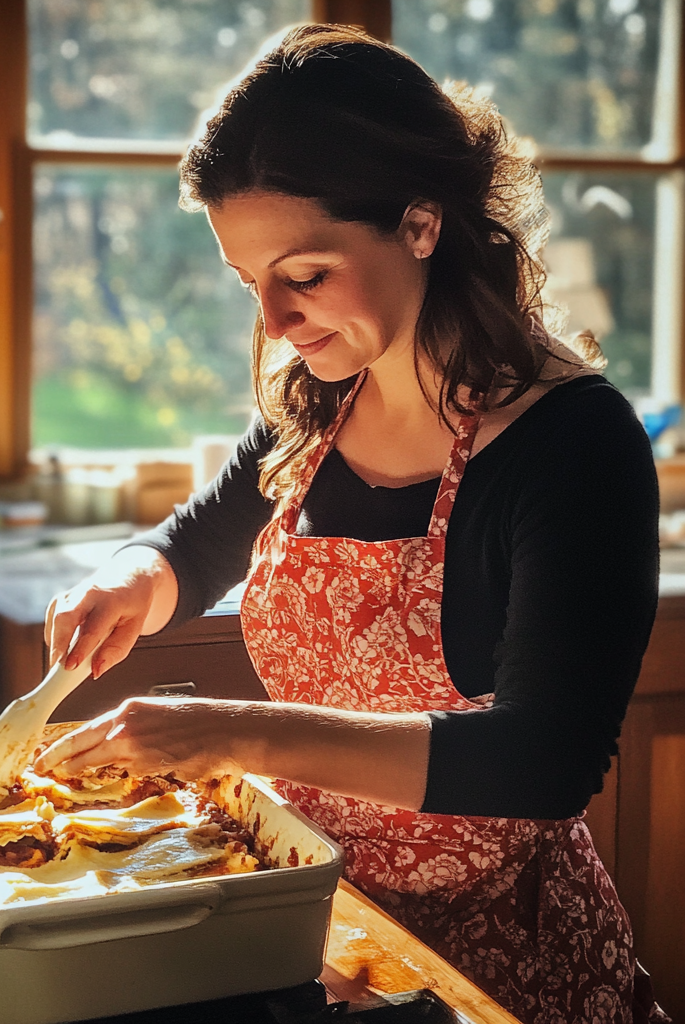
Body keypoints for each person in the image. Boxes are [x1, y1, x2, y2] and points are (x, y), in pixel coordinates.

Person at [35, 24, 665, 1024]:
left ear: (420, 224)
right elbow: (195, 547)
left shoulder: (574, 443)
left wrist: (232, 734)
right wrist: (129, 577)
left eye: (306, 274)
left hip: (497, 966)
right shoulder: (317, 397)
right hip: (320, 922)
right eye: (252, 284)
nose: (277, 323)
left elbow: (543, 762)